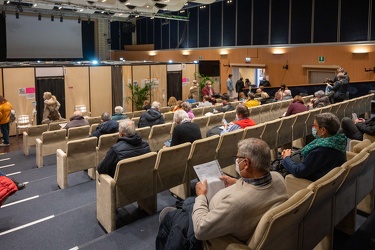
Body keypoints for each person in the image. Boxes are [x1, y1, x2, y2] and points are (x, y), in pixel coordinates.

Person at [156, 138, 288, 248]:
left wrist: (201, 196)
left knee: (172, 217)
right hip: (232, 217)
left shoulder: (237, 204)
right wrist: (236, 182)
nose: (236, 161)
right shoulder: (278, 178)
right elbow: (257, 190)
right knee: (188, 203)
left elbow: (201, 230)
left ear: (246, 163)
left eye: (238, 158)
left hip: (214, 234)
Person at [281, 112, 347, 181]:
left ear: (323, 130)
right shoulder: (339, 141)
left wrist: (286, 158)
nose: (313, 128)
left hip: (310, 179)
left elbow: (299, 171)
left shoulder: (322, 150)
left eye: (315, 126)